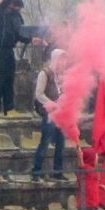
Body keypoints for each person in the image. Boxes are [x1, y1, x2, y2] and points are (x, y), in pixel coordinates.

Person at [0, 0, 28, 115]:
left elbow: (18, 34)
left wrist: (31, 40)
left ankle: (9, 108)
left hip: (9, 49)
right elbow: (6, 0)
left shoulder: (16, 17)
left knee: (9, 80)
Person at [31, 49, 66, 179]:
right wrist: (53, 104)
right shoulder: (44, 73)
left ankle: (58, 172)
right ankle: (37, 171)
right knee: (45, 141)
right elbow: (39, 94)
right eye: (61, 59)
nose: (63, 63)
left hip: (60, 114)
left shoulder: (62, 76)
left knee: (61, 143)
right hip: (49, 113)